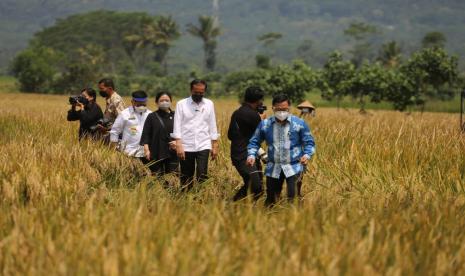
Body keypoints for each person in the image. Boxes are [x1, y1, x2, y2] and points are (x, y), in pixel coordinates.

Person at [247, 94, 315, 206]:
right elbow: (254, 142)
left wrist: (307, 155)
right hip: (274, 167)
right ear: (273, 108)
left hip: (294, 166)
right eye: (278, 109)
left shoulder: (299, 124)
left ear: (289, 108)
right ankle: (269, 220)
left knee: (294, 199)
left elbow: (309, 143)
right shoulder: (265, 125)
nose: (281, 112)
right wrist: (251, 155)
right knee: (271, 200)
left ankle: (295, 220)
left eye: (284, 109)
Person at [172, 79, 219, 191]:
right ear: (191, 90)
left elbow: (212, 123)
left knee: (202, 174)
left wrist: (215, 143)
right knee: (186, 175)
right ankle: (185, 198)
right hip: (186, 145)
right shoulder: (181, 104)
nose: (198, 94)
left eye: (201, 92)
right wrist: (178, 143)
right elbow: (177, 124)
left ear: (204, 91)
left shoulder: (209, 104)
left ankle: (200, 197)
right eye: (196, 92)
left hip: (203, 144)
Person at [227, 86, 266, 201]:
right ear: (259, 100)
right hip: (245, 156)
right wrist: (262, 120)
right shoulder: (253, 115)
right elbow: (261, 136)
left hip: (238, 154)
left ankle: (244, 208)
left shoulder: (237, 112)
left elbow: (230, 135)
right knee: (255, 186)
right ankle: (231, 204)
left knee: (256, 186)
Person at [140, 91, 178, 178]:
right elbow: (146, 133)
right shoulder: (152, 116)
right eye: (161, 100)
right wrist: (146, 150)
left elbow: (183, 132)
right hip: (156, 151)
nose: (164, 102)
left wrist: (178, 142)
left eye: (167, 100)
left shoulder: (176, 115)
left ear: (171, 101)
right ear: (156, 103)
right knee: (158, 176)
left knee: (173, 175)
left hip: (173, 152)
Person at [109, 91, 151, 159]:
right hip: (128, 153)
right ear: (132, 102)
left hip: (145, 153)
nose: (141, 106)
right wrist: (113, 150)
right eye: (138, 104)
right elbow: (115, 132)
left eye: (143, 104)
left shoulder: (150, 114)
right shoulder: (124, 114)